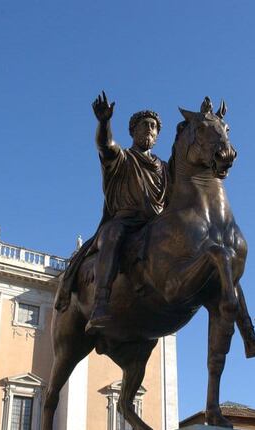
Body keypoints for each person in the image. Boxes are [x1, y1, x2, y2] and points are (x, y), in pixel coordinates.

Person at [85, 91, 169, 333]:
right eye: (145, 125)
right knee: (112, 235)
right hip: (125, 221)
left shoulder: (164, 168)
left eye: (154, 127)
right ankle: (101, 302)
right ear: (133, 131)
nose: (150, 130)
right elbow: (105, 144)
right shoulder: (121, 158)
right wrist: (104, 122)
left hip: (155, 224)